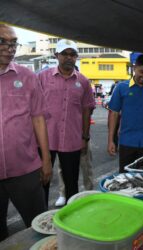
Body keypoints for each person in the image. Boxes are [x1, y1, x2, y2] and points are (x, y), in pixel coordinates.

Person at [0, 24, 51, 241]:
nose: (9, 48)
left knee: (38, 225)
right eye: (3, 41)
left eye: (13, 43)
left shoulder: (27, 76)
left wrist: (46, 160)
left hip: (25, 169)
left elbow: (38, 118)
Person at [38, 39, 95, 205]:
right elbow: (34, 109)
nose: (69, 57)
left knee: (71, 183)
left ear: (76, 57)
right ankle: (40, 215)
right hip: (45, 139)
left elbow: (86, 110)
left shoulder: (83, 81)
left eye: (72, 54)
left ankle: (71, 218)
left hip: (72, 140)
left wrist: (85, 137)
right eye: (65, 54)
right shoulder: (42, 77)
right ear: (57, 55)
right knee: (42, 180)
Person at [107, 54, 143, 173]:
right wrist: (110, 140)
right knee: (124, 178)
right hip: (126, 142)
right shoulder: (121, 88)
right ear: (134, 68)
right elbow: (113, 114)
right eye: (142, 72)